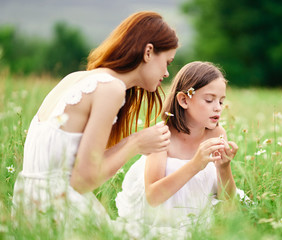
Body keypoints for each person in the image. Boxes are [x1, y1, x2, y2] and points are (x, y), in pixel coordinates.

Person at [11, 11, 178, 227]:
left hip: (28, 205)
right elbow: (82, 181)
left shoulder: (76, 78)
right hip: (58, 210)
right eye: (167, 62)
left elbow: (73, 167)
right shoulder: (110, 88)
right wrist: (136, 143)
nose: (166, 73)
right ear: (148, 52)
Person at [115, 61, 250, 237]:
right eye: (209, 100)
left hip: (199, 217)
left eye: (221, 101)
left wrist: (224, 168)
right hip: (162, 218)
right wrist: (196, 164)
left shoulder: (216, 133)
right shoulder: (162, 135)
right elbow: (153, 197)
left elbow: (228, 204)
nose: (217, 107)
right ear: (184, 100)